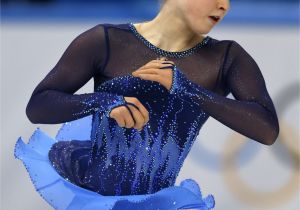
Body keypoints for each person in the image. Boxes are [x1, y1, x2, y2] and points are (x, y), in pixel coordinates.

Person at [14, 0, 280, 209]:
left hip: (160, 202)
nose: (225, 5)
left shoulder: (226, 58)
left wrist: (186, 88)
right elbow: (38, 105)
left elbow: (267, 129)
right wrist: (106, 101)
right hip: (93, 199)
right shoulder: (106, 40)